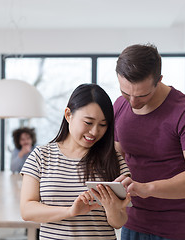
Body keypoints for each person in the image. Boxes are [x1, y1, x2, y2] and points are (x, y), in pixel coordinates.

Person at [113, 44, 185, 240]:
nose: (133, 102)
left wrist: (147, 188)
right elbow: (117, 158)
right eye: (126, 93)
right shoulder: (119, 105)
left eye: (142, 95)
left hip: (175, 230)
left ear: (159, 80)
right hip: (131, 224)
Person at [20, 83, 131, 239]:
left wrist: (112, 208)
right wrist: (70, 211)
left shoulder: (114, 160)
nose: (94, 132)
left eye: (102, 125)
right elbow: (27, 210)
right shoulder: (40, 156)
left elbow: (118, 222)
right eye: (88, 122)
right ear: (68, 115)